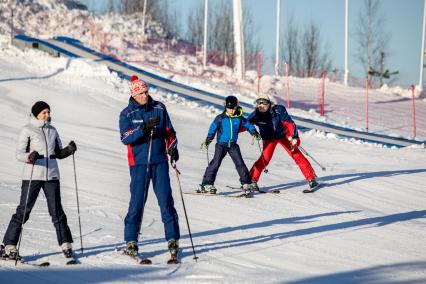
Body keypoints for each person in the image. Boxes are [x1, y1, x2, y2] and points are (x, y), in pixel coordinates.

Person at [0, 101, 77, 261]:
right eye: (44, 113)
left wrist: (69, 150)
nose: (48, 115)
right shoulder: (27, 130)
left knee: (57, 212)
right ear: (36, 114)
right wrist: (30, 156)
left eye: (48, 112)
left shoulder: (53, 130)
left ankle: (66, 244)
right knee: (23, 211)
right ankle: (9, 246)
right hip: (33, 176)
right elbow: (19, 153)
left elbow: (58, 153)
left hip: (52, 176)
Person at [119, 75, 180, 261]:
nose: (145, 95)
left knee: (166, 201)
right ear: (134, 94)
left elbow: (170, 132)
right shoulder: (127, 113)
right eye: (141, 93)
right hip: (138, 164)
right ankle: (131, 241)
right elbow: (125, 137)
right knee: (137, 202)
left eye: (146, 91)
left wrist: (173, 148)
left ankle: (173, 239)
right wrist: (143, 129)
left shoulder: (159, 108)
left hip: (159, 162)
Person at [247, 94, 319, 191]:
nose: (261, 105)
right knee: (265, 159)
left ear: (269, 104)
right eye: (259, 103)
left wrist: (294, 137)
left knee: (297, 155)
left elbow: (290, 123)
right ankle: (251, 181)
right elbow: (244, 124)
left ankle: (312, 179)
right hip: (269, 139)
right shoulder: (255, 115)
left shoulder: (279, 110)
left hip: (284, 136)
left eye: (264, 103)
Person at [199, 95, 260, 197]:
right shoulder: (220, 118)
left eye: (233, 108)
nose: (231, 110)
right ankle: (207, 184)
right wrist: (208, 140)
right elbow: (212, 128)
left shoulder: (239, 118)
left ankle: (246, 183)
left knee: (240, 163)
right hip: (221, 145)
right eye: (229, 108)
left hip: (233, 145)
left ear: (236, 107)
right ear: (225, 107)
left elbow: (248, 125)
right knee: (215, 163)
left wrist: (254, 132)